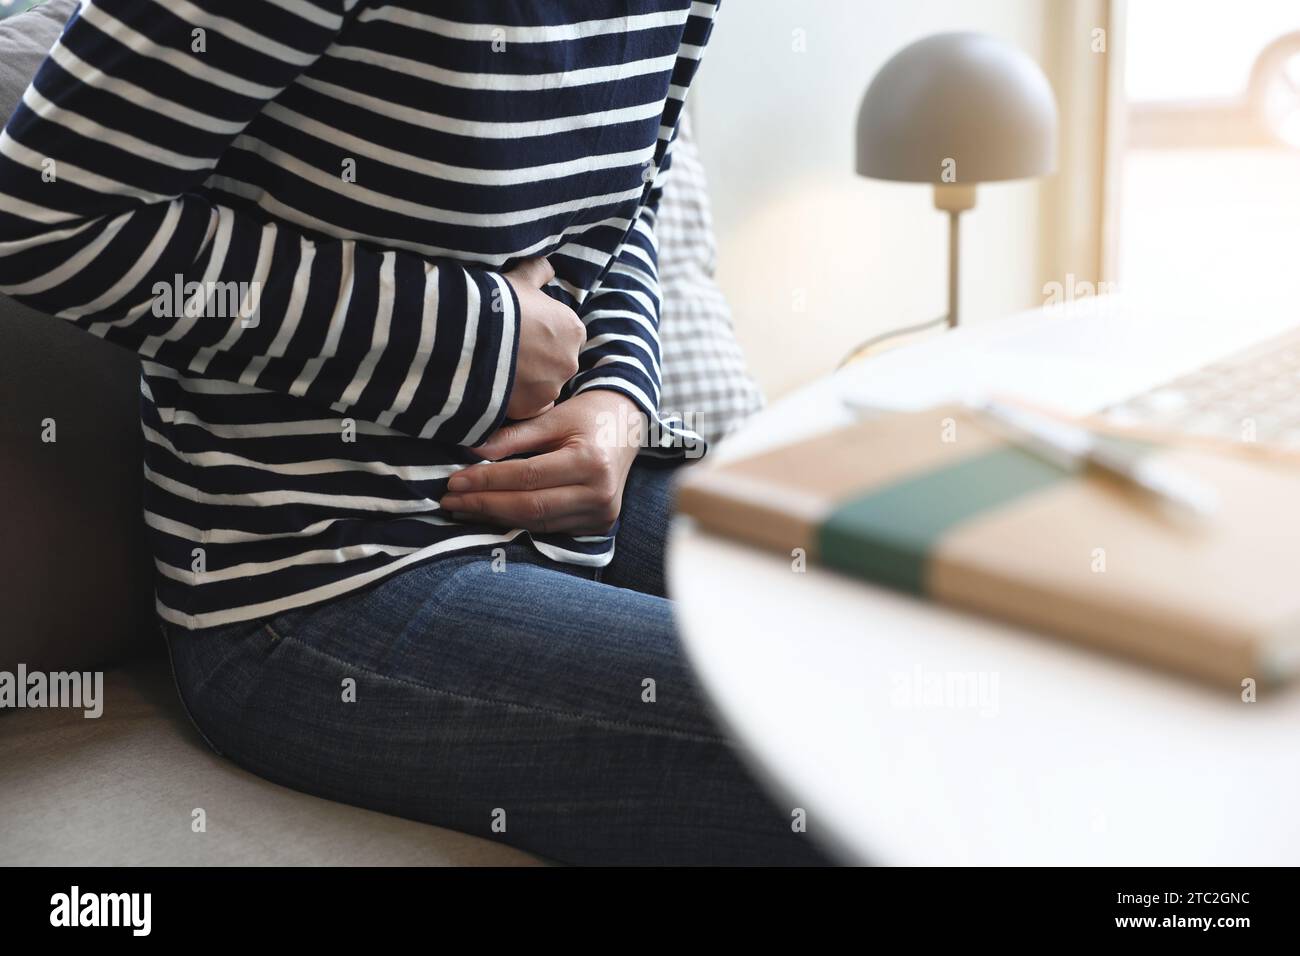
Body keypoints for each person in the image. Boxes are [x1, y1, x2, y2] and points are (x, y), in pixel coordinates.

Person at [0, 0, 827, 865]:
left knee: (933, 631)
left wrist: (620, 395)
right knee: (851, 743)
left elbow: (631, 203)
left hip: (575, 500)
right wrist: (480, 341)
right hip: (321, 572)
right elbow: (37, 216)